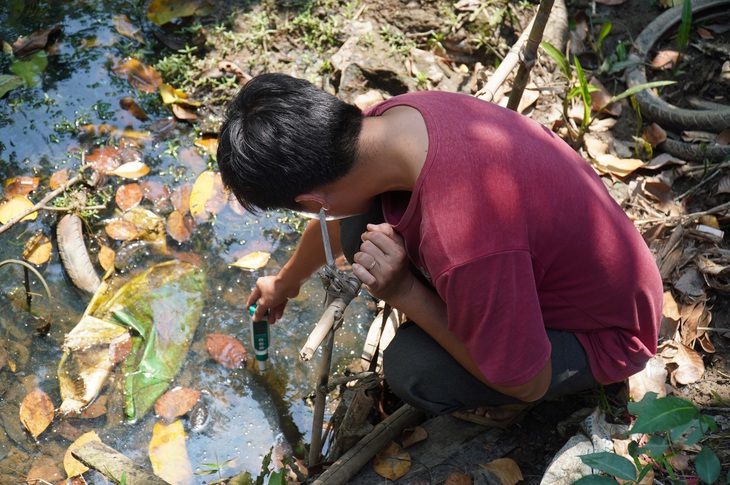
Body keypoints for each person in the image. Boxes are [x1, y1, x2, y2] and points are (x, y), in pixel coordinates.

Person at [216, 72, 663, 425]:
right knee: (358, 229)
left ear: (312, 202)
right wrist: (285, 282)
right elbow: (335, 217)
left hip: (606, 334)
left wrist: (406, 291)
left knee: (413, 369)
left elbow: (528, 380)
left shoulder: (465, 239)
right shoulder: (389, 123)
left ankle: (507, 406)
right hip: (591, 266)